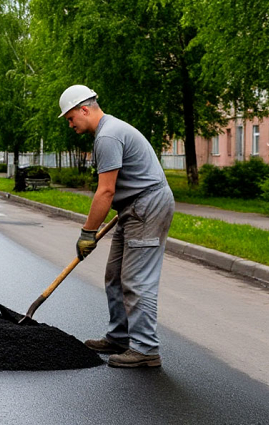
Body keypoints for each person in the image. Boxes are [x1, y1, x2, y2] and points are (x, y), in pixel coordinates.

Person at [59, 84, 175, 368]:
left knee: (136, 280)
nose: (70, 124)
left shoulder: (108, 136)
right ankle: (120, 336)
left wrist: (87, 233)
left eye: (71, 118)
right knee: (114, 275)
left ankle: (146, 349)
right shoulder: (108, 131)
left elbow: (105, 191)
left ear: (84, 109)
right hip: (131, 207)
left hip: (146, 207)